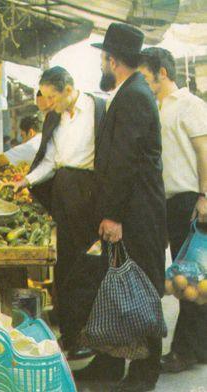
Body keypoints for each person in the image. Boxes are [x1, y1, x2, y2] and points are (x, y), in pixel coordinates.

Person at [75, 23, 168, 392]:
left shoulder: (133, 96)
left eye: (103, 58)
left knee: (141, 287)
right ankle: (110, 362)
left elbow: (125, 161)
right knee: (113, 284)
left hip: (136, 213)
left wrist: (113, 215)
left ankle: (145, 373)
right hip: (131, 209)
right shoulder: (132, 92)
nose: (102, 64)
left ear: (112, 60)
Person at [15, 66, 106, 360]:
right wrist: (26, 180)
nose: (48, 103)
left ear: (69, 89)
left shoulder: (97, 108)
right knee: (65, 264)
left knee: (89, 267)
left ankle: (90, 335)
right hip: (64, 190)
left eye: (52, 97)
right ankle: (70, 335)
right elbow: (50, 160)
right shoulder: (54, 118)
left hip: (90, 190)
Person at [139, 47, 207, 373]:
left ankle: (184, 351)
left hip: (189, 199)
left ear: (161, 72)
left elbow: (204, 151)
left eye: (144, 74)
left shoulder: (189, 105)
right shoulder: (155, 107)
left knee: (188, 280)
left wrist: (205, 196)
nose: (140, 80)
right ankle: (199, 347)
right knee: (190, 277)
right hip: (164, 201)